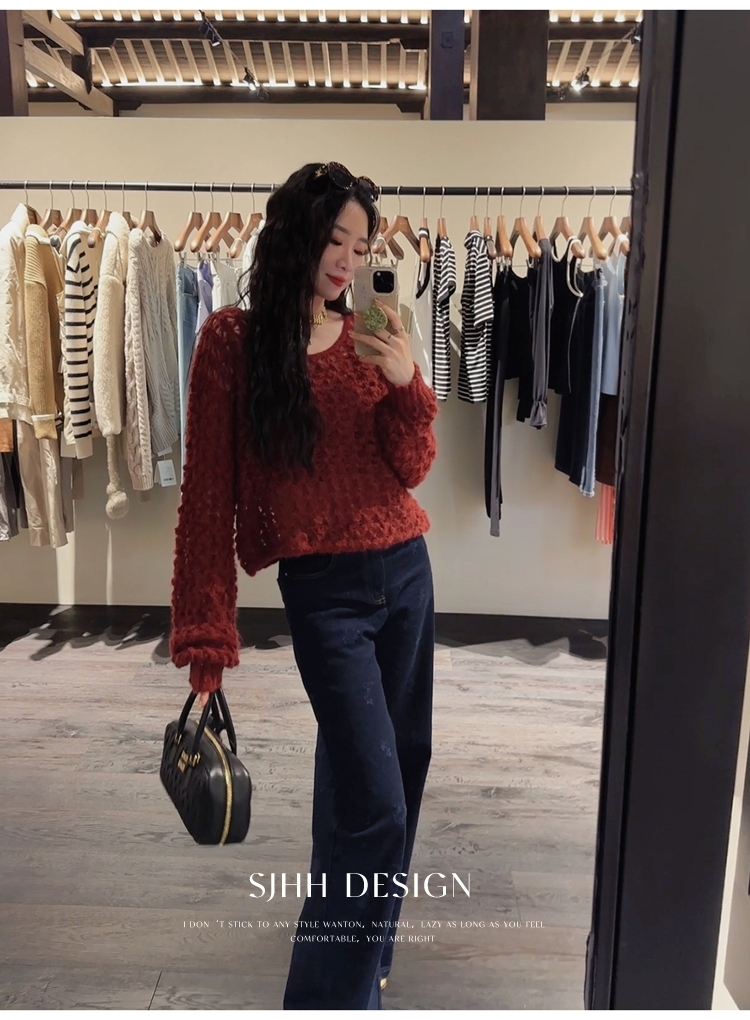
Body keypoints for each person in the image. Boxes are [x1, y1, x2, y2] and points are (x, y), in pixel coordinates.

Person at [169, 162, 439, 1010]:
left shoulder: (369, 337)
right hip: (327, 596)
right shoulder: (233, 343)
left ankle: (368, 952)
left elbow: (413, 467)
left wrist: (407, 385)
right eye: (335, 240)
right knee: (376, 809)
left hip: (407, 573)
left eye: (360, 246)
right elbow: (206, 500)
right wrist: (206, 639)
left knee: (392, 775)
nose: (348, 260)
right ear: (296, 233)